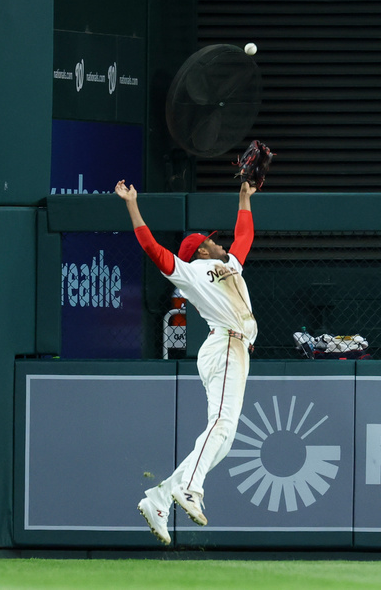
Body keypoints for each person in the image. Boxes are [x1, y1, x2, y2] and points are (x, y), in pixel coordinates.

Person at [115, 178, 258, 545]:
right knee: (222, 427)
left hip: (231, 350)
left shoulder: (233, 265)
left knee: (222, 440)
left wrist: (244, 198)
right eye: (210, 241)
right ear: (201, 251)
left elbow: (244, 237)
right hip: (225, 346)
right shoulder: (192, 272)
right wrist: (132, 204)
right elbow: (152, 247)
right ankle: (191, 487)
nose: (217, 241)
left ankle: (159, 498)